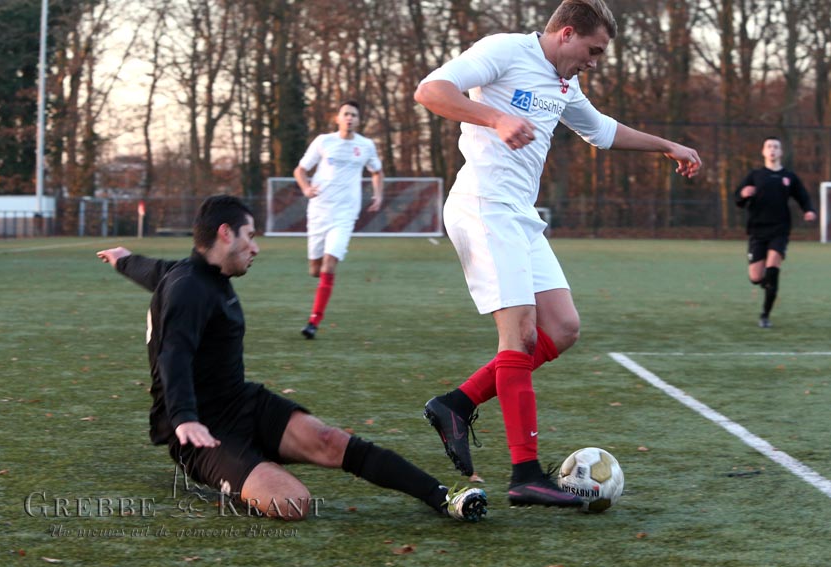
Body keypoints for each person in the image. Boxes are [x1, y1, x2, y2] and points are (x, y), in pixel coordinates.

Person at [413, 0, 702, 508]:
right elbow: (431, 90)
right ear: (566, 33)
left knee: (563, 328)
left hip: (519, 214)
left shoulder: (564, 84)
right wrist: (495, 117)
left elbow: (602, 131)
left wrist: (666, 146)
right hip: (483, 206)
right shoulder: (505, 50)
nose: (594, 61)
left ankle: (456, 404)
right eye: (593, 50)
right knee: (520, 334)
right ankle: (525, 474)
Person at [96, 195, 486, 522]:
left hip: (241, 402)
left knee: (330, 440)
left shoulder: (187, 274)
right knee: (292, 502)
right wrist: (184, 417)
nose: (255, 247)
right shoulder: (188, 289)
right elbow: (174, 353)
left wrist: (123, 259)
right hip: (200, 432)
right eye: (250, 236)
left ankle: (442, 497)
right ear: (225, 233)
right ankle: (247, 470)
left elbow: (153, 270)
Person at [293, 100, 384, 339]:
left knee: (329, 263)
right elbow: (300, 170)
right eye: (346, 114)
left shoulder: (365, 145)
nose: (349, 118)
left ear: (359, 120)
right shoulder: (324, 141)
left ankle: (313, 322)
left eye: (354, 114)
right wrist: (306, 188)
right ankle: (325, 276)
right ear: (338, 118)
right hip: (319, 211)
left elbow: (376, 171)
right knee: (315, 269)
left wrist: (378, 195)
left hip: (345, 213)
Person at [735, 136, 816, 328]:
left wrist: (809, 210)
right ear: (763, 152)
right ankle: (768, 284)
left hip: (780, 230)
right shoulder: (755, 175)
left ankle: (765, 315)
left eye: (776, 147)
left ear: (781, 152)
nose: (772, 149)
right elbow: (738, 199)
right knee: (756, 278)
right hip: (757, 230)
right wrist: (743, 194)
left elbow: (803, 197)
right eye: (769, 146)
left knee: (772, 268)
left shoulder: (789, 177)